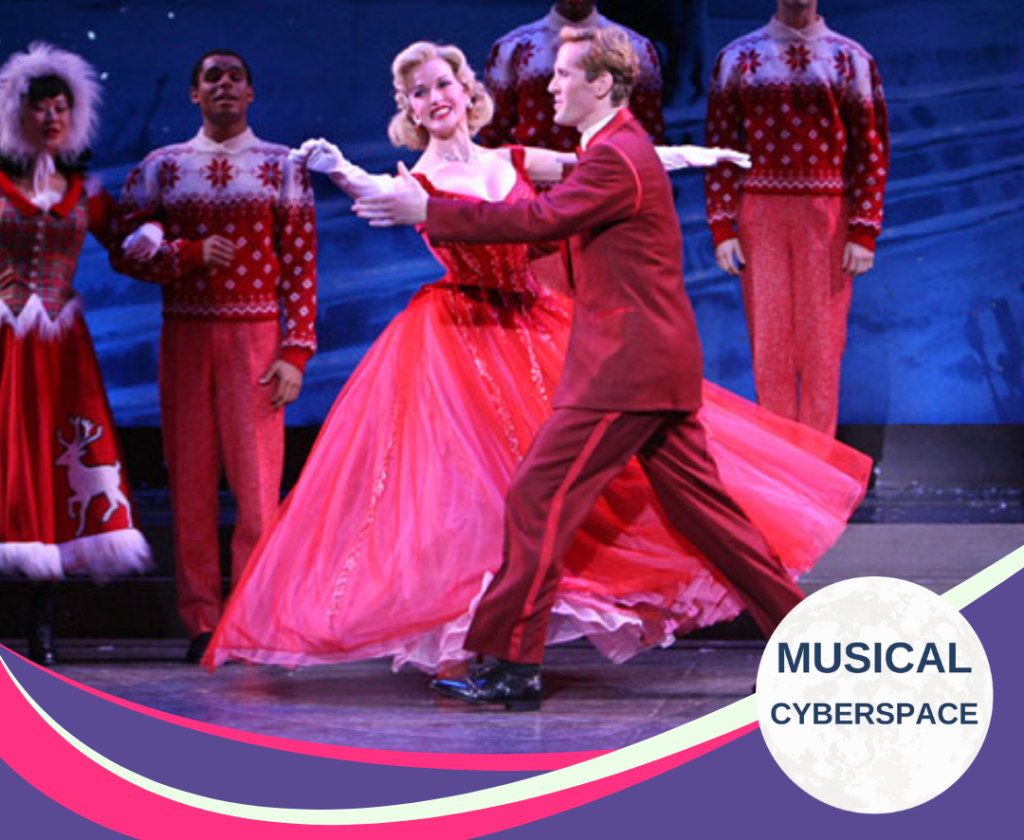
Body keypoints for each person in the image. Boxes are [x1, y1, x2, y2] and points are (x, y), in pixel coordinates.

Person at [203, 39, 869, 685]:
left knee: (538, 497)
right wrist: (340, 169)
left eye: (562, 75)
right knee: (697, 511)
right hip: (488, 343)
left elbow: (540, 219)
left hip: (611, 359)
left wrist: (431, 209)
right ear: (408, 106)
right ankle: (813, 640)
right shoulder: (604, 149)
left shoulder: (596, 155)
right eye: (419, 91)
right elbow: (388, 191)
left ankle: (512, 664)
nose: (549, 85)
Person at [114, 50, 317, 663]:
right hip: (186, 337)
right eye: (212, 78)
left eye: (235, 77)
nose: (224, 84)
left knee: (257, 490)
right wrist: (189, 253)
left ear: (251, 93)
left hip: (255, 339)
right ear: (194, 94)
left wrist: (295, 353)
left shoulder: (283, 165)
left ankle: (251, 618)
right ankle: (203, 620)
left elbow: (301, 264)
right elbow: (125, 253)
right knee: (192, 488)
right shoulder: (162, 167)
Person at [0, 41, 156, 665]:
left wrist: (154, 237)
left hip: (61, 352)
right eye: (40, 106)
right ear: (18, 114)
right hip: (5, 343)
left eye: (60, 107)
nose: (51, 117)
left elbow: (124, 242)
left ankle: (42, 628)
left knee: (57, 466)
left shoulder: (85, 191)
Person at [704, 0, 889, 436]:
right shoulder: (738, 58)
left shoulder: (850, 58)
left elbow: (871, 150)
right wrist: (723, 226)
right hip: (760, 212)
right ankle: (781, 468)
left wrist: (863, 230)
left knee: (822, 346)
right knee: (770, 346)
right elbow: (720, 148)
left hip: (825, 212)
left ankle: (819, 467)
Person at [479, 0, 664, 152]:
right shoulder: (512, 48)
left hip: (610, 171)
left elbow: (649, 135)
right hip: (531, 173)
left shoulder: (636, 48)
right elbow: (493, 134)